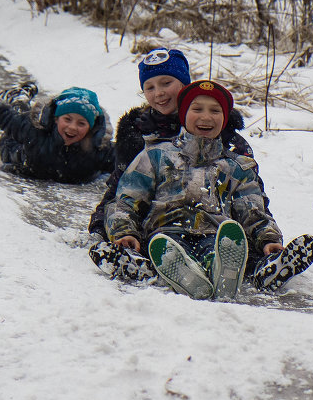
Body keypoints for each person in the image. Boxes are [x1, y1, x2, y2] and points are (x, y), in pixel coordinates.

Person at [105, 79, 313, 299]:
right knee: (165, 249)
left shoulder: (235, 167)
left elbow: (252, 209)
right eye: (197, 109)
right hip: (165, 233)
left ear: (224, 120)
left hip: (215, 235)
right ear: (183, 115)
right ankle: (170, 270)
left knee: (220, 250)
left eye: (215, 111)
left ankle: (224, 271)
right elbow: (127, 198)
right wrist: (125, 232)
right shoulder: (156, 156)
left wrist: (268, 238)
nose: (206, 117)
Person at [87, 47, 268, 280]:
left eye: (166, 83)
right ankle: (153, 263)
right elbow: (123, 189)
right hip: (159, 225)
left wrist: (264, 236)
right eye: (150, 87)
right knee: (146, 240)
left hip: (213, 225)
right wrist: (106, 227)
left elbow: (250, 193)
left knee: (228, 244)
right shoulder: (137, 135)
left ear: (184, 84)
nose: (159, 93)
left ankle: (237, 267)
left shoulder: (225, 138)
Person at [0, 71, 114, 184]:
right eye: (67, 119)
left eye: (81, 123)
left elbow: (127, 156)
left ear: (90, 128)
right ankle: (19, 95)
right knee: (19, 111)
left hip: (48, 164)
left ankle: (21, 95)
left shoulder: (98, 149)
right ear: (56, 119)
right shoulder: (34, 132)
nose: (72, 127)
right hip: (18, 150)